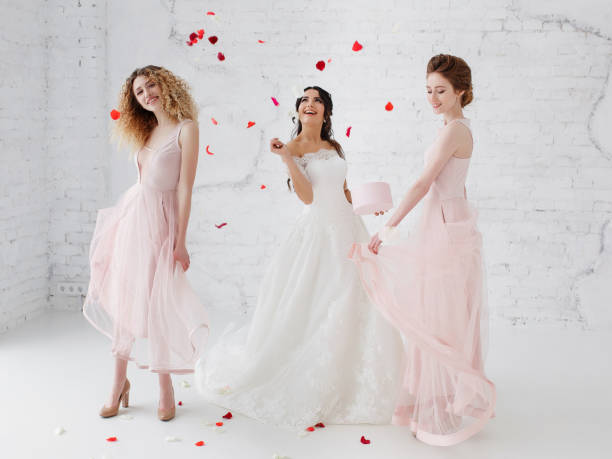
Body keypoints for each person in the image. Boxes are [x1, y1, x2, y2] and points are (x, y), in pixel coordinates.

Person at [196, 86, 405, 429]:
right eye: (305, 100)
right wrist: (287, 159)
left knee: (359, 298)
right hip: (319, 233)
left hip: (349, 227)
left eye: (317, 100)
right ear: (297, 112)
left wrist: (368, 205)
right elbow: (308, 198)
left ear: (326, 112)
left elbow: (344, 190)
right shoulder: (292, 148)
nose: (310, 104)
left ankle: (356, 371)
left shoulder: (334, 147)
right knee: (323, 300)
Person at [350, 55, 496, 446]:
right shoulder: (449, 127)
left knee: (442, 312)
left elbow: (422, 183)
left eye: (441, 91)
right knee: (437, 309)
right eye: (428, 91)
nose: (432, 97)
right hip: (447, 219)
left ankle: (445, 405)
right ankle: (439, 398)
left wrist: (390, 225)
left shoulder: (455, 131)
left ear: (461, 91)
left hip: (448, 226)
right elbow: (443, 186)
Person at [83, 65, 208, 422]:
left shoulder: (187, 128)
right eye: (139, 91)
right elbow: (142, 182)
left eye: (151, 85)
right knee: (127, 299)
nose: (147, 94)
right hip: (133, 219)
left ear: (165, 85)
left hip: (163, 221)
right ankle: (117, 384)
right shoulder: (147, 130)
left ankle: (165, 388)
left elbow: (184, 187)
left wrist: (179, 241)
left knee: (159, 304)